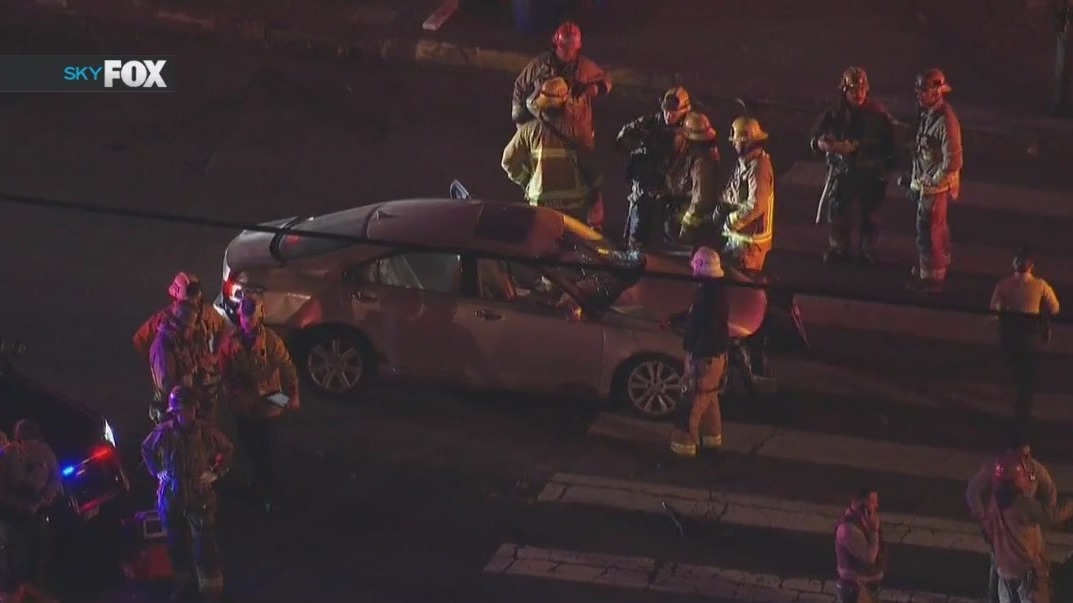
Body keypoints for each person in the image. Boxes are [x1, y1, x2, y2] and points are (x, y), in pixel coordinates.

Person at [141, 386, 233, 602]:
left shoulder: (205, 432)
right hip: (173, 498)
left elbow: (227, 449)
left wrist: (215, 473)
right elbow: (146, 449)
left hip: (199, 497)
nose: (185, 415)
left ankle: (211, 591)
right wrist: (158, 471)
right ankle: (184, 587)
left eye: (189, 410)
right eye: (181, 411)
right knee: (176, 546)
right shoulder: (163, 432)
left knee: (205, 546)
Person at [218, 296, 300, 512]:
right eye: (244, 318)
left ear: (260, 316)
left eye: (251, 318)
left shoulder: (272, 342)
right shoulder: (231, 343)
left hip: (269, 405)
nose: (247, 322)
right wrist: (232, 393)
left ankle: (267, 493)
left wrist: (293, 394)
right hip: (244, 407)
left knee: (268, 453)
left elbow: (288, 367)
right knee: (250, 448)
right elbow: (223, 371)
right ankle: (257, 484)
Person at [809, 67, 897, 266]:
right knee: (838, 211)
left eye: (861, 89)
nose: (858, 94)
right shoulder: (835, 113)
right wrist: (821, 143)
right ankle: (839, 247)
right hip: (843, 171)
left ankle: (869, 249)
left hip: (870, 172)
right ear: (844, 90)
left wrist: (884, 168)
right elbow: (815, 137)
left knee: (871, 214)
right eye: (853, 90)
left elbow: (889, 145)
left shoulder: (878, 114)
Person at [967, 431, 1059, 603]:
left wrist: (1039, 522)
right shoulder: (997, 470)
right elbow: (973, 491)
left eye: (1028, 455)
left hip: (1023, 542)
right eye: (1022, 455)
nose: (1026, 460)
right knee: (1001, 581)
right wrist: (984, 518)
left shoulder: (1033, 469)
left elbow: (1049, 491)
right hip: (1005, 546)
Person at [502, 77, 605, 229]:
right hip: (575, 206)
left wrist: (527, 182)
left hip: (541, 204)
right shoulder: (578, 130)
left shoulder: (528, 130)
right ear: (565, 101)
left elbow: (508, 161)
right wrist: (597, 196)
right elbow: (591, 168)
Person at [981, 452, 1073, 603]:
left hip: (1005, 575)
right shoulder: (1022, 503)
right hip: (1027, 577)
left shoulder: (994, 502)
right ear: (1015, 480)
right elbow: (1050, 516)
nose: (1026, 478)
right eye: (1023, 475)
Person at [139, 272, 228, 424]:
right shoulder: (164, 329)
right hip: (177, 408)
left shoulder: (206, 314)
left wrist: (213, 357)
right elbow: (142, 342)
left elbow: (224, 327)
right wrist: (158, 365)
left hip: (197, 399)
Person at [903, 68, 963, 293]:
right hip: (927, 183)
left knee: (927, 232)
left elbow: (953, 162)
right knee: (938, 229)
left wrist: (932, 182)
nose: (919, 96)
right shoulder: (929, 115)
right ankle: (939, 265)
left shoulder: (946, 121)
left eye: (924, 92)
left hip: (934, 189)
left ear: (937, 93)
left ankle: (930, 278)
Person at [666, 246, 729, 457]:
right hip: (715, 358)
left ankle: (683, 447)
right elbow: (697, 315)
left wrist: (695, 355)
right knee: (708, 399)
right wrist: (675, 319)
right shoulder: (715, 290)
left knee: (690, 402)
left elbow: (705, 326)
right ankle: (711, 439)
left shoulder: (707, 295)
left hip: (704, 358)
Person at [989, 248, 1060, 429]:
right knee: (1027, 371)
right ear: (1031, 267)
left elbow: (994, 312)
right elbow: (1054, 308)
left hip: (1011, 332)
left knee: (1013, 366)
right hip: (1030, 334)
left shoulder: (1003, 285)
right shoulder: (1041, 285)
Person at [615, 86, 692, 249]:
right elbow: (623, 138)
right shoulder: (650, 123)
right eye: (666, 110)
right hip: (646, 193)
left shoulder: (692, 131)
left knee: (672, 245)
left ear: (685, 110)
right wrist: (634, 142)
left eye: (674, 112)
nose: (668, 115)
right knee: (636, 242)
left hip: (674, 198)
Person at [511, 21, 612, 139]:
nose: (568, 53)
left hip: (576, 131)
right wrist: (520, 120)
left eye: (571, 49)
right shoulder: (539, 66)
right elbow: (520, 86)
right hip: (545, 128)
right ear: (556, 44)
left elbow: (606, 80)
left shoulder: (585, 67)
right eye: (564, 48)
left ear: (577, 47)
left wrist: (597, 89)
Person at [0, 420, 61, 603]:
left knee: (29, 558)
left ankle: (27, 592)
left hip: (27, 516)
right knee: (20, 560)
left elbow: (54, 478)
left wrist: (42, 499)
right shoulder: (10, 454)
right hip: (18, 516)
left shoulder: (37, 452)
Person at [718, 116, 775, 272]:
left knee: (743, 283)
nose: (733, 143)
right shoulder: (746, 162)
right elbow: (735, 191)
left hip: (750, 243)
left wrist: (731, 221)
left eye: (736, 140)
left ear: (746, 140)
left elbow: (756, 205)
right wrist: (722, 206)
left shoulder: (759, 167)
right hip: (740, 238)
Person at [150, 301, 214, 425]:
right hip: (173, 414)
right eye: (189, 327)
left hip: (189, 410)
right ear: (180, 325)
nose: (191, 332)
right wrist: (194, 394)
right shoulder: (163, 345)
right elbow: (167, 386)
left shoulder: (183, 343)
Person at [669, 112, 722, 247]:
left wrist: (686, 228)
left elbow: (701, 199)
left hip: (695, 224)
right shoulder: (697, 154)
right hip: (691, 212)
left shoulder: (702, 163)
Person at [835, 487, 886, 603]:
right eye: (873, 502)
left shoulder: (863, 520)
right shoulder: (848, 529)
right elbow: (869, 557)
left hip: (864, 587)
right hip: (855, 589)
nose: (876, 505)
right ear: (862, 504)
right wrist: (873, 531)